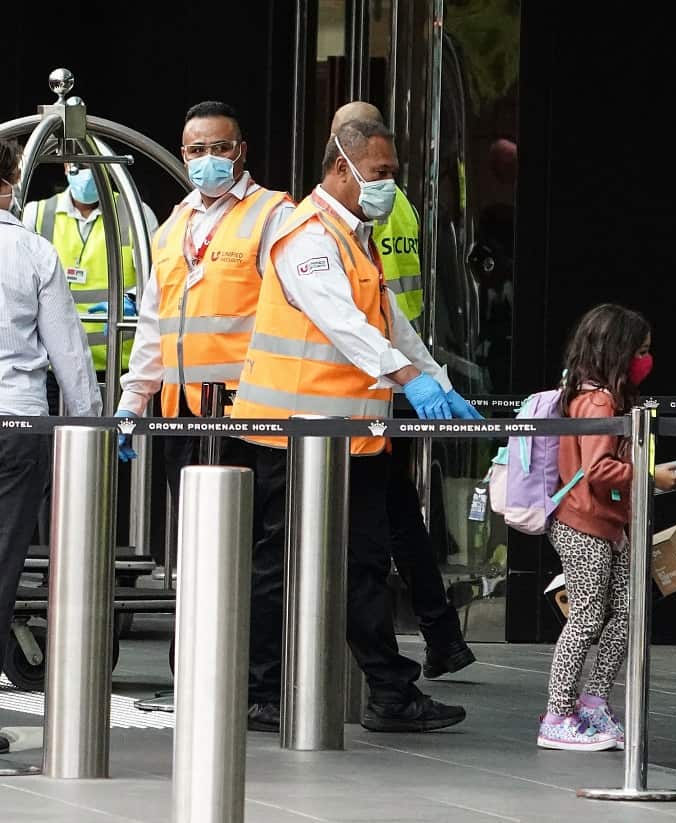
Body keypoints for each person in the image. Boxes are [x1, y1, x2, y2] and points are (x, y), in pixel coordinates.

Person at [230, 119, 482, 732]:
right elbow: (342, 324)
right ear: (340, 168)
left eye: (393, 173)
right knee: (278, 564)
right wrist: (408, 381)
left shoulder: (355, 238)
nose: (388, 187)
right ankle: (262, 690)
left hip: (349, 437)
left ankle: (388, 691)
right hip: (293, 434)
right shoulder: (307, 236)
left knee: (363, 563)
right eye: (380, 173)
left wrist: (439, 384)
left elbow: (391, 321)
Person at [113, 101, 294, 730]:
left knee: (259, 556)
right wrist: (132, 402)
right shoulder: (173, 226)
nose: (205, 161)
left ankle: (261, 687)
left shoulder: (273, 215)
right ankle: (196, 676)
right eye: (193, 151)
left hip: (252, 408)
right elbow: (155, 325)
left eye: (217, 148)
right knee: (192, 552)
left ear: (240, 151)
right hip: (183, 410)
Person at [329, 101, 476, 680]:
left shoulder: (360, 214)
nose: (383, 177)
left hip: (377, 383)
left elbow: (367, 313)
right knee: (396, 516)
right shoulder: (396, 207)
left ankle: (421, 646)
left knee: (380, 523)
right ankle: (441, 633)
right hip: (395, 379)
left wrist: (421, 378)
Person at [536, 304, 676, 751]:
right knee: (585, 618)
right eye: (640, 350)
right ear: (618, 352)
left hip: (607, 525)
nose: (646, 359)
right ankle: (558, 713)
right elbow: (598, 469)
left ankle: (593, 703)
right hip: (583, 525)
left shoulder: (598, 396)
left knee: (627, 611)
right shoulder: (598, 400)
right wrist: (650, 476)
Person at [0, 138, 101, 755]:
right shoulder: (34, 251)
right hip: (18, 428)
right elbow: (70, 354)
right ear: (10, 183)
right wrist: (90, 428)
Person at [23, 163, 159, 373]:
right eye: (81, 165)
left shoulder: (136, 213)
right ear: (67, 166)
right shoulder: (37, 214)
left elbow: (158, 279)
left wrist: (132, 299)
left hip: (118, 365)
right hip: (53, 364)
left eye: (94, 166)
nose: (88, 174)